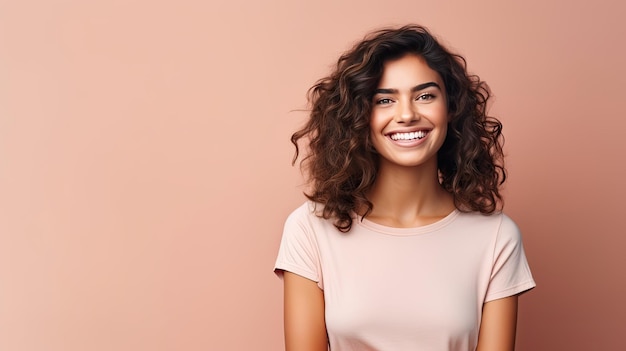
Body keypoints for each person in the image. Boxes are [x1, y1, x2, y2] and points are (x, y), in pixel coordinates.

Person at [274, 24, 535, 351]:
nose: (407, 114)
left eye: (425, 96)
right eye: (384, 100)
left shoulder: (496, 237)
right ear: (359, 115)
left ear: (450, 108)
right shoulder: (310, 229)